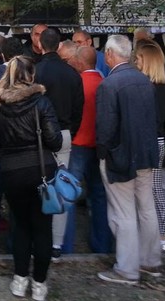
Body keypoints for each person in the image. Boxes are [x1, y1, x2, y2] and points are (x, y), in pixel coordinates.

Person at [0, 56, 62, 301]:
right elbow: (55, 141)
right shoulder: (41, 102)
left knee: (20, 226)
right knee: (42, 228)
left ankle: (19, 279)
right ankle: (39, 284)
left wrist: (6, 154)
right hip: (41, 170)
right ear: (30, 75)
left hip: (12, 171)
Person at [96, 35, 161, 285]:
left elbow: (105, 127)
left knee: (123, 212)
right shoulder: (145, 80)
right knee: (146, 207)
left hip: (120, 156)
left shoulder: (109, 85)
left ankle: (127, 269)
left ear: (110, 54)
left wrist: (103, 153)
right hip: (145, 153)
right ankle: (150, 260)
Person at [35, 27, 84, 259]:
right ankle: (56, 243)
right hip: (63, 133)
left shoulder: (35, 71)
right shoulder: (72, 74)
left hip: (38, 136)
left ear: (40, 45)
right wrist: (70, 131)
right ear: (59, 46)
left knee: (37, 186)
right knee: (61, 186)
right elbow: (78, 108)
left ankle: (38, 239)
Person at [135, 40, 165, 252]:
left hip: (157, 140)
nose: (135, 61)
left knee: (158, 188)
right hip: (153, 138)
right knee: (155, 187)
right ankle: (159, 230)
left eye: (139, 58)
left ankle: (163, 232)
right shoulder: (146, 82)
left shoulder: (162, 84)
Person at [62, 45, 111, 254]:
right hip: (98, 145)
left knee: (69, 194)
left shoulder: (76, 83)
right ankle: (102, 244)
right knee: (99, 194)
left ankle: (65, 244)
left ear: (80, 62)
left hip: (77, 144)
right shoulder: (104, 83)